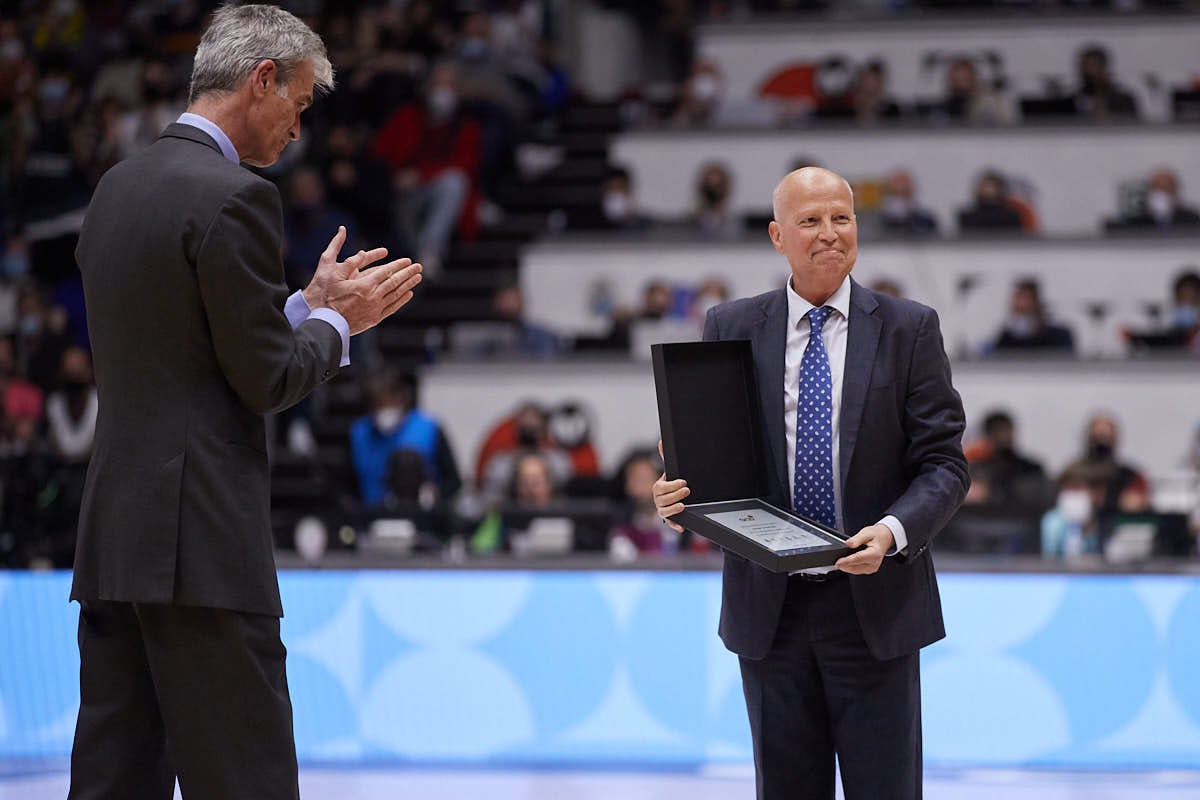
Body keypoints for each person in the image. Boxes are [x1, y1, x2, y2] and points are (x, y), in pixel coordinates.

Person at [67, 7, 423, 800]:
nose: (298, 132)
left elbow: (191, 349)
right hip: (201, 549)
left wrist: (298, 308)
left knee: (111, 784)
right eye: (297, 105)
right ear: (262, 80)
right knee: (248, 783)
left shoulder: (118, 187)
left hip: (116, 541)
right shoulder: (237, 197)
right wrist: (340, 323)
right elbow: (264, 381)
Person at [654, 167, 969, 800]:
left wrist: (891, 532)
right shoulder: (731, 325)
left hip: (875, 603)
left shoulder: (910, 328)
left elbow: (945, 464)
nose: (829, 233)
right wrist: (678, 498)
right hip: (771, 613)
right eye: (810, 220)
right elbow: (713, 466)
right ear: (777, 236)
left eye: (841, 218)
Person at [349, 368, 460, 507]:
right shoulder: (359, 433)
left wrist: (435, 496)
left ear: (402, 398)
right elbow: (348, 483)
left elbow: (453, 481)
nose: (383, 410)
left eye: (388, 402)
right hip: (370, 516)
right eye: (377, 405)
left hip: (421, 516)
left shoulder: (429, 428)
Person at [1062, 413, 1150, 515]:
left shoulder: (1130, 476)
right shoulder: (1071, 474)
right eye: (1097, 437)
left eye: (1106, 437)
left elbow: (1138, 502)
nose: (1101, 442)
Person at [962, 410, 1048, 507]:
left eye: (1006, 430)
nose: (1003, 436)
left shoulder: (1030, 468)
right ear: (987, 434)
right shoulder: (975, 466)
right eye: (997, 431)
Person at [992, 278, 1075, 354]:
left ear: (1036, 303)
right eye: (1017, 298)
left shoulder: (1059, 336)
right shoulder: (1006, 338)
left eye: (1024, 298)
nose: (1019, 304)